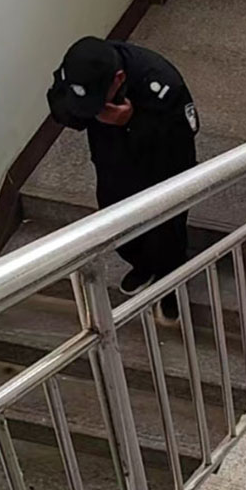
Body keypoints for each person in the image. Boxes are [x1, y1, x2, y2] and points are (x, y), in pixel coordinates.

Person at [46, 37, 200, 323]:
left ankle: (170, 282)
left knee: (167, 230)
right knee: (116, 222)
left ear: (118, 79)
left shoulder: (161, 82)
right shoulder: (78, 70)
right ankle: (142, 265)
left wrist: (131, 122)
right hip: (112, 163)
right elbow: (60, 106)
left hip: (163, 170)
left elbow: (180, 137)